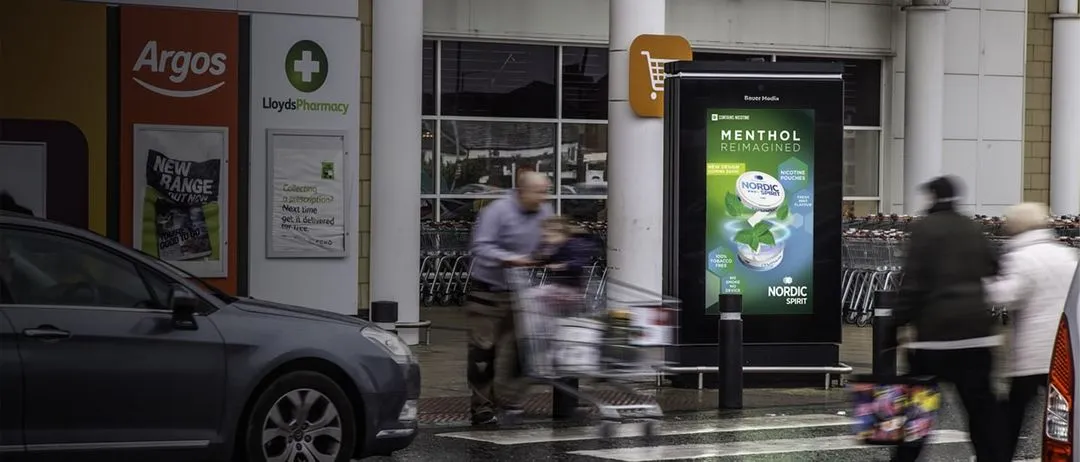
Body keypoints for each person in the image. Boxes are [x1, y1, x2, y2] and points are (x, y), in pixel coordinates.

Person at [893, 175, 1005, 462]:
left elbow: (913, 284)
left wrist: (895, 322)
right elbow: (995, 266)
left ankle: (905, 459)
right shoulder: (972, 227)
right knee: (980, 410)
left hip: (934, 338)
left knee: (918, 409)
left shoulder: (924, 230)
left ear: (932, 196)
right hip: (977, 336)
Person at [983, 202, 1078, 460]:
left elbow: (1006, 295)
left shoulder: (1021, 256)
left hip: (1031, 353)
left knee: (1014, 412)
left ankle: (1001, 456)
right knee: (1065, 409)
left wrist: (986, 284)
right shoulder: (1066, 254)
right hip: (1063, 346)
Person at [465, 171, 553, 426]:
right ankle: (481, 407)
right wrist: (508, 258)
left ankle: (507, 398)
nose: (543, 197)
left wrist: (556, 253)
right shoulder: (497, 211)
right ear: (521, 191)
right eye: (538, 192)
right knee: (483, 353)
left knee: (524, 349)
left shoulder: (544, 211)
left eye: (545, 191)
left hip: (521, 293)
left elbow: (550, 239)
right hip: (487, 292)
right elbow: (480, 246)